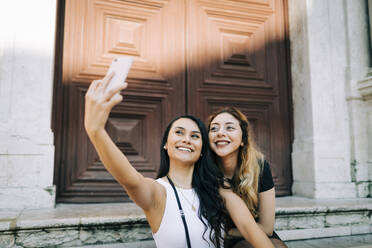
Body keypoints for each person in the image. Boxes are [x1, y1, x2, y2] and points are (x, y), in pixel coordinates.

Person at [84, 73, 274, 248]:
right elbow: (127, 176)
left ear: (202, 150)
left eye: (195, 136)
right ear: (166, 144)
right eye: (179, 132)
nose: (186, 139)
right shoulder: (156, 192)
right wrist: (96, 132)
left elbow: (252, 231)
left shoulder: (219, 193)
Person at [207, 107, 288, 248]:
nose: (220, 133)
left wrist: (231, 231)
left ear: (243, 139)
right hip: (218, 237)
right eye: (214, 129)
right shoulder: (203, 169)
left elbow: (267, 228)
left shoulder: (259, 166)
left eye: (229, 128)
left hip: (254, 229)